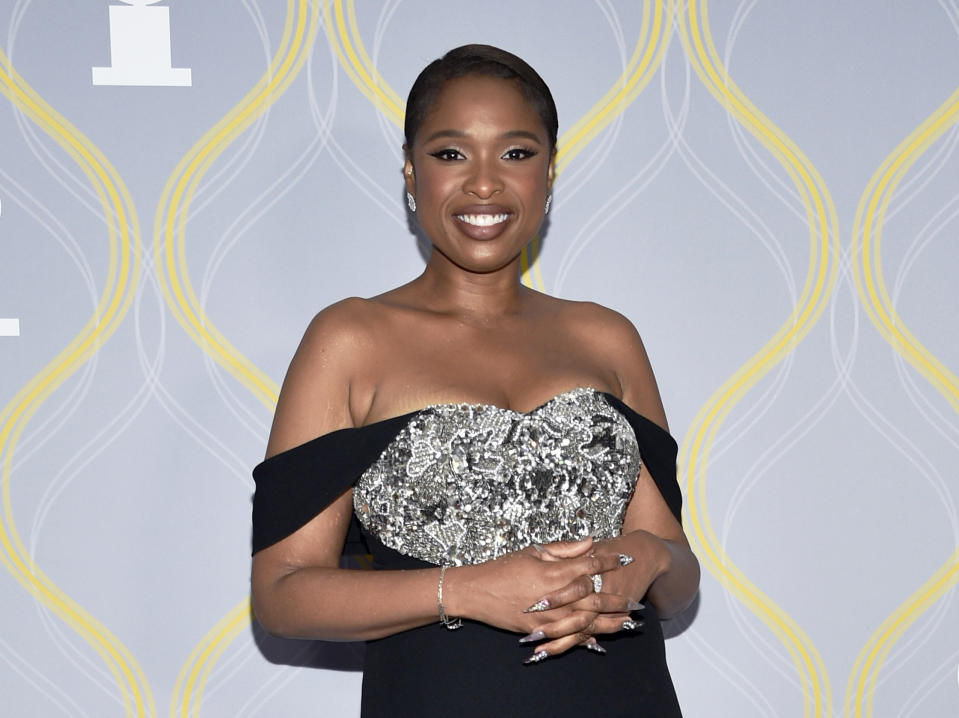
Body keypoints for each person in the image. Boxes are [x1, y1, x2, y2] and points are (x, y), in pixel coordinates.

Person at [250, 44, 700, 717]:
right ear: (409, 169)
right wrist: (463, 590)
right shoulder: (349, 338)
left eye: (515, 153)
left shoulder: (606, 337)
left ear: (549, 172)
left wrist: (645, 561)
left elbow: (679, 573)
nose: (484, 184)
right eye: (450, 153)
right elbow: (282, 594)